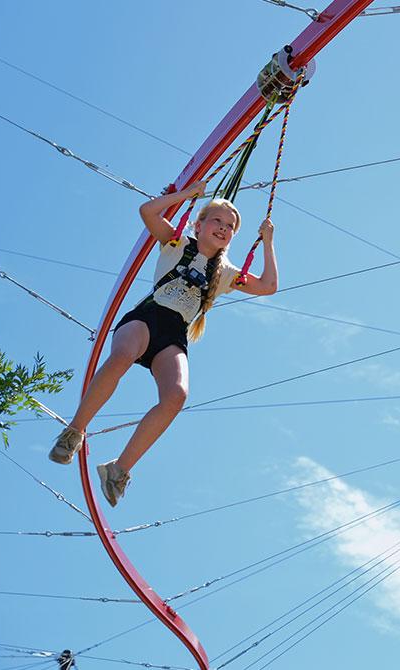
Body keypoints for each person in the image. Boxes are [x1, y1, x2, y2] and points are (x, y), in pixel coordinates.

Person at [48, 180, 278, 506]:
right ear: (199, 225)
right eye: (217, 221)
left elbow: (268, 286)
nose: (224, 228)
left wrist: (268, 242)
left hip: (174, 335)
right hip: (147, 318)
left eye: (230, 227)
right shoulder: (175, 241)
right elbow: (147, 211)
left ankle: (119, 469)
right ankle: (75, 431)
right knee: (122, 356)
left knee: (176, 396)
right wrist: (186, 195)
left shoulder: (225, 273)